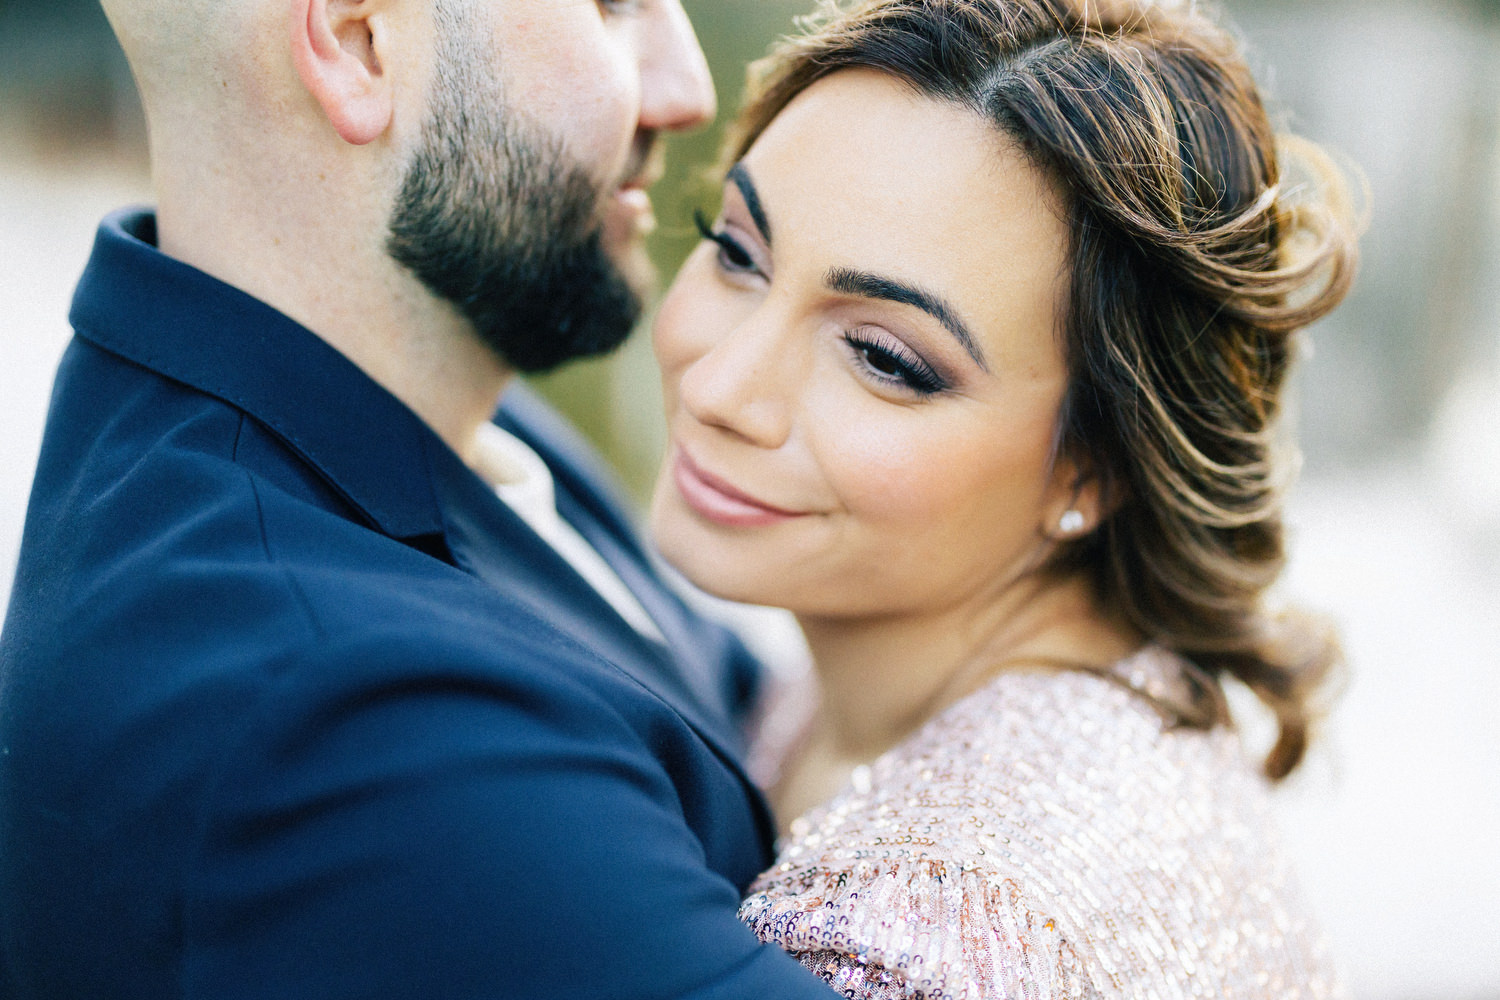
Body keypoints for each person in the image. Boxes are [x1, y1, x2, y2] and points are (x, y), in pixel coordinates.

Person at [0, 1, 842, 997]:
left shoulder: (438, 399)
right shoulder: (348, 721)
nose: (687, 89)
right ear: (358, 42)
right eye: (614, 5)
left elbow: (752, 713)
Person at [648, 0, 1357, 995]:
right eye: (736, 253)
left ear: (1094, 467)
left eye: (883, 357)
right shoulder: (891, 689)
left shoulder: (933, 936)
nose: (719, 387)